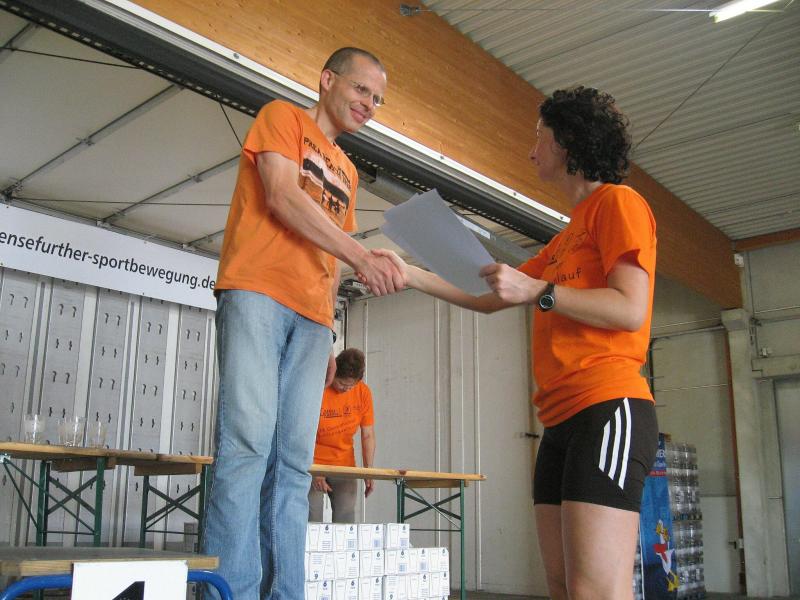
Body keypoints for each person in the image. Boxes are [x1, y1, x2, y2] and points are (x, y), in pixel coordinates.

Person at [377, 86, 658, 600]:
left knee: (595, 588)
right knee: (562, 585)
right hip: (558, 420)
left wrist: (541, 291)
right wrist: (410, 274)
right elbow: (489, 295)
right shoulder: (563, 240)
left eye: (539, 137)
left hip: (607, 407)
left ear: (567, 141)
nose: (532, 151)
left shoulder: (618, 204)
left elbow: (630, 308)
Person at [202, 47, 403, 600]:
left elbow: (332, 256)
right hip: (258, 293)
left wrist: (329, 329)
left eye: (378, 99)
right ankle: (234, 592)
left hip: (313, 323)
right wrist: (363, 258)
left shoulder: (348, 170)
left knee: (294, 464)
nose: (369, 104)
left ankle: (285, 593)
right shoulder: (282, 117)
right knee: (246, 446)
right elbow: (282, 196)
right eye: (362, 89)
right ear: (327, 80)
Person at [309, 348, 376, 522]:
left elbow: (368, 435)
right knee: (312, 518)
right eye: (341, 383)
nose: (346, 389)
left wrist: (368, 471)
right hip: (312, 462)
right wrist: (314, 471)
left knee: (345, 519)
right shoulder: (317, 388)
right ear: (333, 372)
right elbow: (303, 432)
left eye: (351, 386)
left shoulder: (363, 393)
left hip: (344, 463)